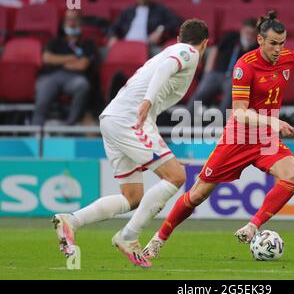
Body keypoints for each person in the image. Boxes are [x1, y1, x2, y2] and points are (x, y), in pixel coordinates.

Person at [141, 11, 294, 261]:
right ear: (260, 40)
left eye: (282, 43)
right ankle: (158, 239)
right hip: (238, 138)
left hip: (266, 139)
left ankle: (252, 226)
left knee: (293, 174)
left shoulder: (288, 59)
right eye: (273, 43)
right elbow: (239, 113)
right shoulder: (244, 66)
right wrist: (273, 120)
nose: (278, 49)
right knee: (197, 194)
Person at [52, 19, 209, 268]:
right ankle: (128, 236)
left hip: (114, 119)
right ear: (205, 44)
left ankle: (72, 220)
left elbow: (153, 106)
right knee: (176, 177)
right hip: (130, 120)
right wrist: (147, 100)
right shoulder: (187, 52)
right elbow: (167, 67)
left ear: (178, 37)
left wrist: (164, 156)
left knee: (133, 196)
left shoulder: (170, 50)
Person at [31, 9, 95, 126]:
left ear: (80, 22)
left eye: (75, 19)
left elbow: (82, 65)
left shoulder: (87, 43)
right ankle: (35, 134)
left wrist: (58, 60)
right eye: (68, 20)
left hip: (73, 78)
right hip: (51, 77)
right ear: (64, 22)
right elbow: (46, 58)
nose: (72, 23)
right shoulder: (56, 41)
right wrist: (71, 58)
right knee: (42, 100)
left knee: (83, 85)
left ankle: (69, 125)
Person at [187, 18, 258, 119]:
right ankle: (186, 119)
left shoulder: (256, 47)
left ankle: (219, 122)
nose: (249, 36)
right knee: (200, 92)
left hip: (234, 79)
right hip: (217, 74)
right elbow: (215, 50)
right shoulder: (231, 37)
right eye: (247, 32)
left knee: (231, 96)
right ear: (242, 30)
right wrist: (208, 71)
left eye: (252, 34)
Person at [107, 0, 181, 49]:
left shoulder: (160, 9)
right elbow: (114, 26)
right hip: (126, 44)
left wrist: (160, 30)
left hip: (148, 46)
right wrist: (112, 36)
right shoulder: (128, 11)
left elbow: (177, 21)